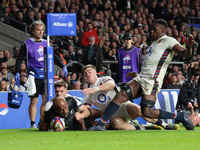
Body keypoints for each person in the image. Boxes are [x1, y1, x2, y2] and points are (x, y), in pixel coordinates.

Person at [89, 19, 195, 131]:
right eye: (151, 29)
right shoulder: (153, 44)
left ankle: (179, 116)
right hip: (141, 78)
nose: (152, 32)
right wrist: (138, 74)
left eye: (155, 29)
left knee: (147, 112)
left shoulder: (169, 40)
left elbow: (185, 54)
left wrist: (189, 47)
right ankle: (100, 125)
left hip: (152, 81)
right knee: (121, 95)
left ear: (163, 30)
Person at [77, 64, 179, 130]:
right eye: (85, 73)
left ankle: (165, 125)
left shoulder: (104, 79)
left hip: (122, 105)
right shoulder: (87, 93)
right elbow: (87, 108)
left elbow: (111, 85)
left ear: (95, 73)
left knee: (138, 109)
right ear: (84, 77)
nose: (87, 74)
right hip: (111, 115)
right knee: (117, 125)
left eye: (89, 72)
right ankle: (143, 128)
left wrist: (94, 89)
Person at [15, 20, 68, 128]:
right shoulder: (26, 44)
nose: (40, 32)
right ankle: (32, 124)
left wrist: (63, 66)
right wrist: (17, 72)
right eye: (38, 30)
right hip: (33, 75)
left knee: (46, 100)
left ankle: (42, 122)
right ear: (33, 31)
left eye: (42, 30)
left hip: (46, 75)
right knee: (34, 100)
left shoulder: (46, 42)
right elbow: (19, 59)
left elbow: (53, 56)